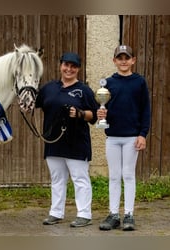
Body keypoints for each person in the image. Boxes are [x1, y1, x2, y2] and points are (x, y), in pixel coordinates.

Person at [35, 52, 99, 227]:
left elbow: (94, 116)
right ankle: (56, 213)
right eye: (66, 65)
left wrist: (80, 113)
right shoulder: (48, 88)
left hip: (76, 142)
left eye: (73, 66)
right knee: (57, 179)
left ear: (78, 69)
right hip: (53, 141)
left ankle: (84, 214)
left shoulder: (84, 90)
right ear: (60, 66)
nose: (69, 69)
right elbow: (34, 103)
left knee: (80, 179)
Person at [97, 45, 151, 231]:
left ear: (133, 60)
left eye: (126, 57)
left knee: (128, 175)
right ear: (114, 61)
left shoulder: (139, 82)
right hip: (112, 137)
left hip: (131, 137)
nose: (123, 61)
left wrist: (143, 134)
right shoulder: (108, 84)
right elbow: (104, 108)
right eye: (119, 58)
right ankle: (113, 214)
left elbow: (146, 110)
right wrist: (102, 115)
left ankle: (129, 214)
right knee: (113, 176)